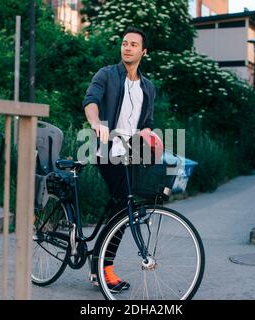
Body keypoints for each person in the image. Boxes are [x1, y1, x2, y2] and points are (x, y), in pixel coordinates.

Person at [82, 27, 156, 292]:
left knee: (121, 210)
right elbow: (91, 100)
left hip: (132, 153)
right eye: (124, 42)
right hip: (107, 149)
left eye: (134, 44)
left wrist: (147, 133)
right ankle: (104, 270)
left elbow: (147, 121)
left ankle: (99, 264)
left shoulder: (148, 87)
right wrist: (96, 123)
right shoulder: (106, 74)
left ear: (143, 52)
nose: (127, 47)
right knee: (126, 208)